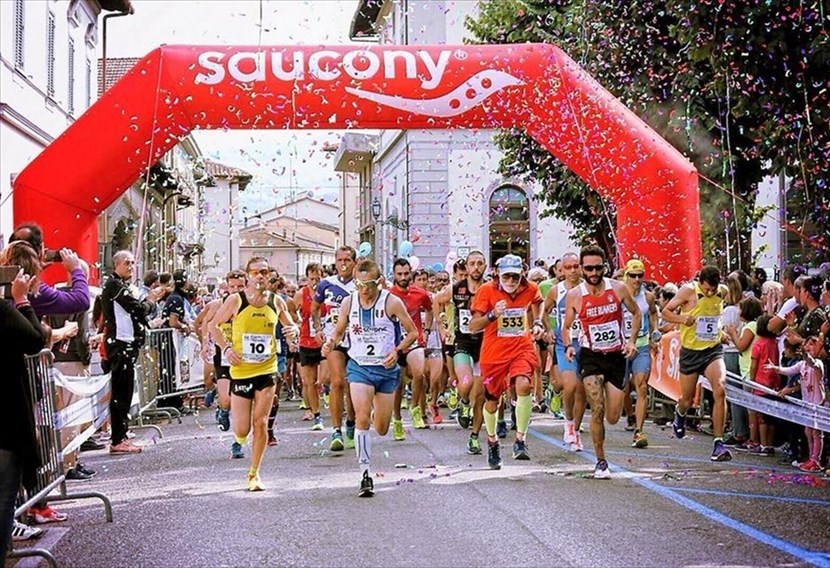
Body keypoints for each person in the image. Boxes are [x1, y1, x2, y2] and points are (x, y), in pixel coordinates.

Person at [323, 259, 419, 497]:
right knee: (362, 418)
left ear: (379, 282)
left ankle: (378, 412)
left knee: (382, 428)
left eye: (369, 285)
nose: (364, 290)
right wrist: (330, 343)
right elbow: (338, 331)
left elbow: (413, 332)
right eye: (359, 284)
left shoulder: (392, 302)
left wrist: (397, 351)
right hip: (359, 367)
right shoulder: (348, 302)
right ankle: (365, 474)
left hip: (385, 371)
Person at [208, 257, 299, 491]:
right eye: (256, 272)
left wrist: (293, 332)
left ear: (270, 276)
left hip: (266, 369)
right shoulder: (235, 300)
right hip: (240, 369)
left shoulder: (276, 302)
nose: (260, 276)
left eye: (264, 272)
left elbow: (291, 326)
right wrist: (226, 349)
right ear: (248, 276)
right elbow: (213, 326)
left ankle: (254, 473)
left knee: (260, 422)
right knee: (242, 429)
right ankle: (239, 440)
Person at [562, 246, 641, 479]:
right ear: (581, 268)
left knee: (613, 417)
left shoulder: (618, 289)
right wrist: (568, 346)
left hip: (616, 355)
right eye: (589, 268)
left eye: (598, 267)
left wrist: (632, 341)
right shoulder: (575, 295)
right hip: (591, 356)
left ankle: (608, 419)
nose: (593, 272)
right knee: (597, 407)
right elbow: (567, 326)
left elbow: (636, 314)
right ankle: (601, 461)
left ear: (604, 266)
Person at [470, 254, 545, 468]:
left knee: (524, 385)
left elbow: (537, 301)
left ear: (522, 274)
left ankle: (520, 440)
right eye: (506, 277)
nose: (511, 281)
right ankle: (492, 441)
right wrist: (493, 315)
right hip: (493, 354)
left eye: (515, 276)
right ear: (497, 275)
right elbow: (474, 326)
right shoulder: (486, 291)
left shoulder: (529, 288)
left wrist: (537, 322)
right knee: (492, 401)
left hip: (521, 347)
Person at [1, 244, 49, 557]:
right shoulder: (3, 309)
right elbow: (34, 339)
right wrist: (21, 299)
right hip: (5, 414)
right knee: (4, 494)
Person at [661, 265, 733, 462]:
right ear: (700, 282)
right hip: (691, 351)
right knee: (687, 399)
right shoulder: (687, 291)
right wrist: (683, 319)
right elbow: (665, 312)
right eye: (706, 289)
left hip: (712, 350)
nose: (710, 292)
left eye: (713, 289)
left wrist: (721, 332)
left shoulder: (722, 291)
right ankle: (680, 413)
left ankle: (719, 444)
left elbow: (716, 317)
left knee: (720, 389)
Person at [101, 250, 164, 455]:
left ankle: (122, 432)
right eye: (126, 263)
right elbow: (136, 309)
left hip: (128, 342)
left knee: (126, 390)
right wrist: (151, 299)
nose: (130, 266)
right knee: (121, 391)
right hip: (120, 344)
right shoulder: (115, 286)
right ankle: (118, 439)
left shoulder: (124, 286)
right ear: (116, 264)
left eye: (132, 262)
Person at [434, 251, 487, 455]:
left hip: (485, 345)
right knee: (465, 383)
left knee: (481, 395)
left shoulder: (490, 288)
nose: (475, 267)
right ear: (467, 267)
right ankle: (463, 402)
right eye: (472, 263)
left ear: (484, 266)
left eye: (479, 263)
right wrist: (441, 326)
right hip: (463, 342)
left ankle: (474, 437)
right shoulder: (457, 288)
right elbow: (437, 300)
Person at [312, 246, 357, 452]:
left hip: (358, 340)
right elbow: (315, 308)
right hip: (334, 339)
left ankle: (351, 422)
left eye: (347, 259)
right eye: (339, 260)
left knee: (354, 385)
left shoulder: (361, 284)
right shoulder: (326, 284)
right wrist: (318, 328)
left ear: (354, 262)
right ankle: (336, 430)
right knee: (337, 381)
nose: (343, 263)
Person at [541, 252, 586, 451]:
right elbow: (544, 313)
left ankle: (576, 430)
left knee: (584, 390)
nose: (573, 271)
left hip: (586, 343)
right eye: (568, 267)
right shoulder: (555, 290)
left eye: (576, 266)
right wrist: (549, 330)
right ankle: (568, 423)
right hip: (564, 342)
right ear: (561, 270)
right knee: (570, 385)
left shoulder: (589, 288)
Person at [195, 270, 246, 438]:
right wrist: (205, 344)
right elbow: (207, 324)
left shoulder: (251, 304)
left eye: (240, 286)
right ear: (227, 287)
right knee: (226, 399)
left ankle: (239, 440)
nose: (236, 290)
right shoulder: (219, 304)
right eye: (232, 287)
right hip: (223, 355)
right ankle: (223, 409)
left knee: (244, 402)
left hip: (245, 358)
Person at [768, 336, 826, 472]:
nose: (808, 347)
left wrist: (807, 356)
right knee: (808, 431)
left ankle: (816, 460)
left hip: (818, 404)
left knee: (816, 432)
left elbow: (813, 364)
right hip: (807, 404)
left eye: (812, 344)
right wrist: (775, 368)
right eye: (807, 344)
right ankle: (811, 457)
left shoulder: (818, 364)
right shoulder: (801, 365)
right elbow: (789, 370)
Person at [389, 258, 432, 434]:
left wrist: (427, 330)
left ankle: (415, 408)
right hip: (395, 343)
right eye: (399, 274)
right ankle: (397, 419)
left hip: (415, 340)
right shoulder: (388, 295)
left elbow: (430, 309)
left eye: (406, 273)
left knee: (419, 373)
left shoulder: (420, 294)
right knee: (398, 384)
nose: (403, 277)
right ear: (394, 275)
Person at [9, 223, 90, 317]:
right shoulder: (32, 290)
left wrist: (35, 269)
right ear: (39, 252)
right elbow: (82, 301)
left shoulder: (8, 277)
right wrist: (76, 269)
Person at [619, 259, 658, 449]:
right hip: (619, 347)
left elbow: (652, 313)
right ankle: (629, 414)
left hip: (641, 345)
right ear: (626, 275)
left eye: (640, 276)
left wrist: (654, 331)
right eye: (633, 275)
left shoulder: (648, 296)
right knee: (622, 388)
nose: (636, 279)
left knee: (641, 386)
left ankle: (639, 431)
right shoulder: (617, 294)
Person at [295, 263, 326, 431]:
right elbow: (291, 311)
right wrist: (298, 323)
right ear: (307, 278)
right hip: (306, 341)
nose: (314, 282)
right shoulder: (301, 294)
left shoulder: (328, 293)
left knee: (326, 378)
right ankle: (317, 415)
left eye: (318, 278)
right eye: (311, 278)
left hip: (324, 342)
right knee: (309, 382)